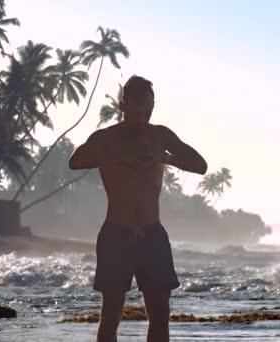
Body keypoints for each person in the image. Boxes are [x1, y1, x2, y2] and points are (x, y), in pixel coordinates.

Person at [69, 75, 207, 342]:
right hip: (116, 234)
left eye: (149, 109)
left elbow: (200, 165)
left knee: (160, 316)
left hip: (152, 234)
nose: (144, 115)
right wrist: (117, 157)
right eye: (138, 109)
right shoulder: (106, 138)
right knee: (110, 315)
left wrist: (166, 158)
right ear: (123, 106)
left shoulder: (160, 136)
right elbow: (76, 161)